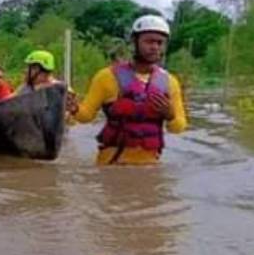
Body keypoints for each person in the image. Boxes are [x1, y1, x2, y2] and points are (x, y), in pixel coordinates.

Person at [66, 15, 188, 165]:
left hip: (150, 168)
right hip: (111, 166)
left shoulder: (170, 82)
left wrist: (170, 115)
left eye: (160, 42)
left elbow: (178, 128)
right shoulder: (106, 77)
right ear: (134, 42)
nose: (155, 47)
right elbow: (86, 116)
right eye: (149, 41)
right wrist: (74, 108)